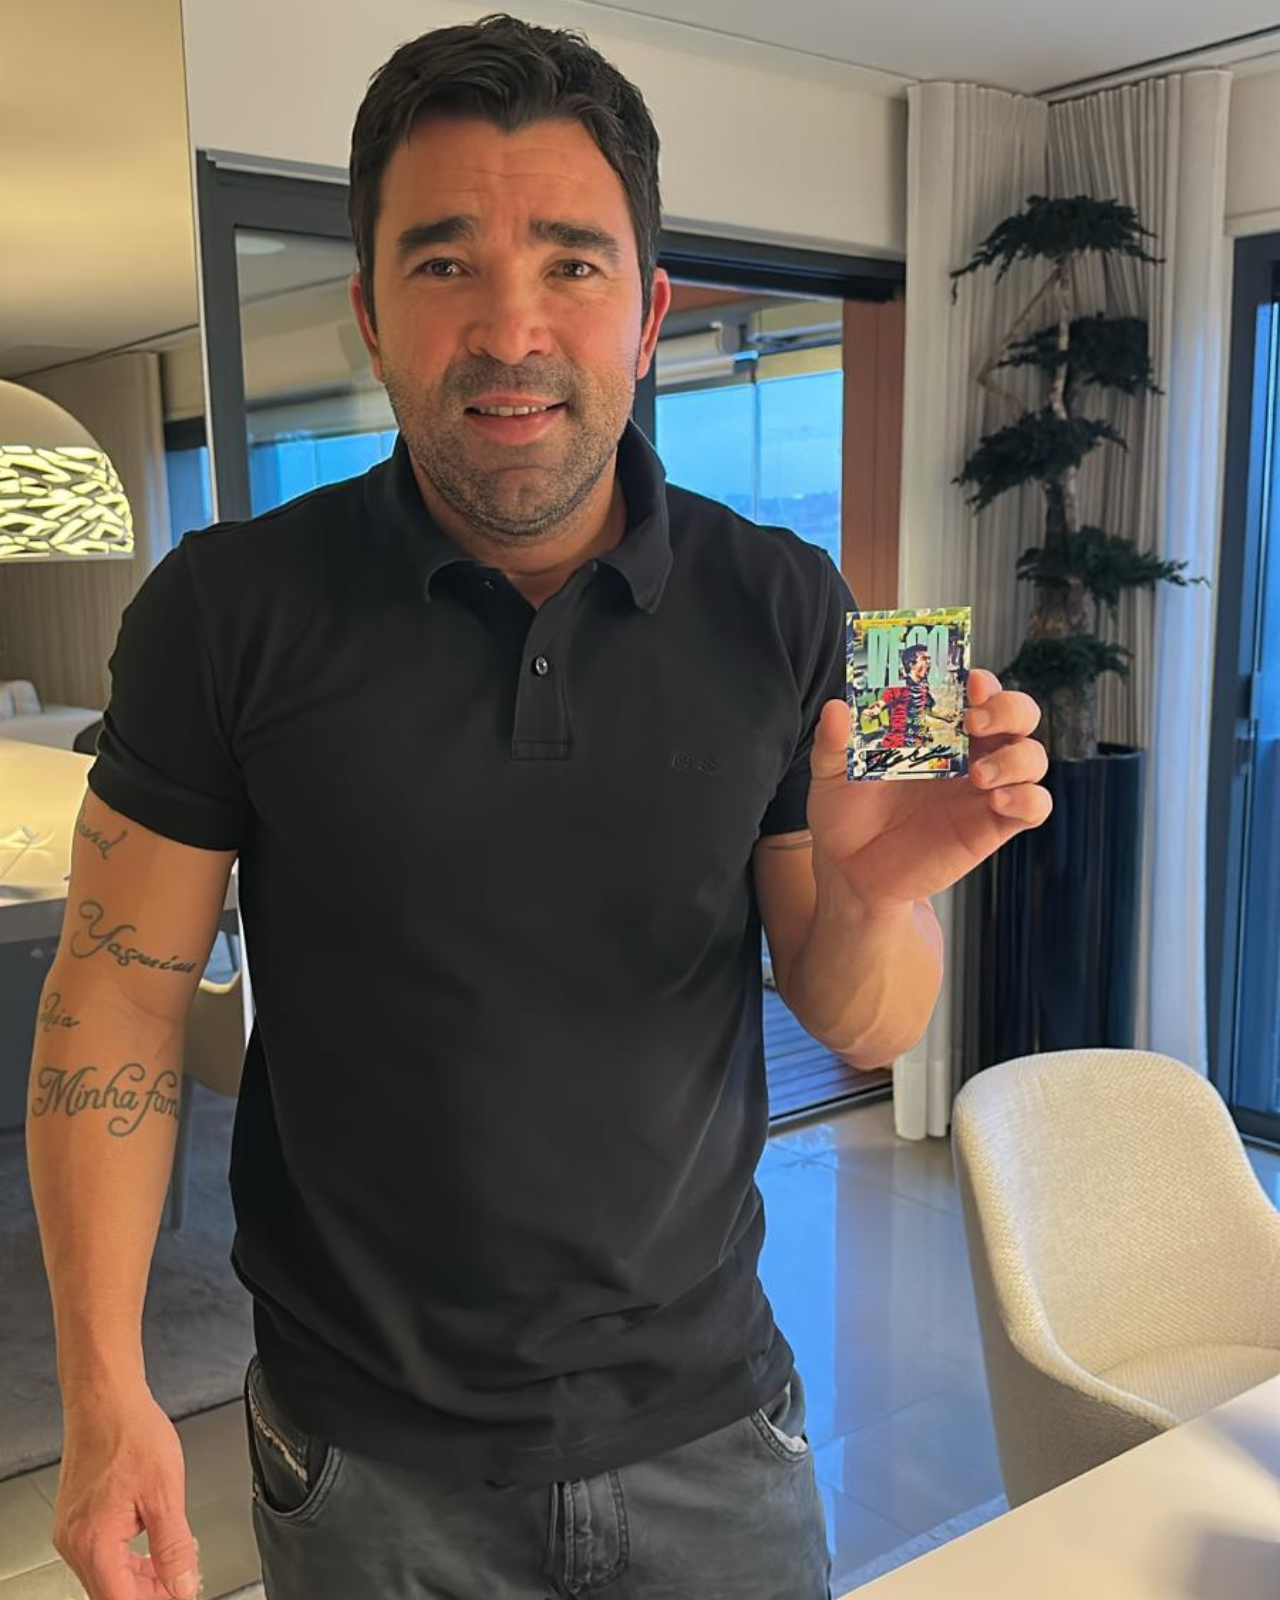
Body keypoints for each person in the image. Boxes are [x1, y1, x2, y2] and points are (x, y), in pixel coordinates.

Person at [26, 14, 1050, 1600]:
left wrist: (875, 898)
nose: (510, 330)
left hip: (715, 1430)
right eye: (444, 264)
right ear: (370, 313)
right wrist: (105, 1395)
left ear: (648, 312)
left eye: (572, 263)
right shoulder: (225, 612)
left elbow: (870, 1020)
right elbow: (114, 1000)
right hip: (366, 1467)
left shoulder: (791, 602)